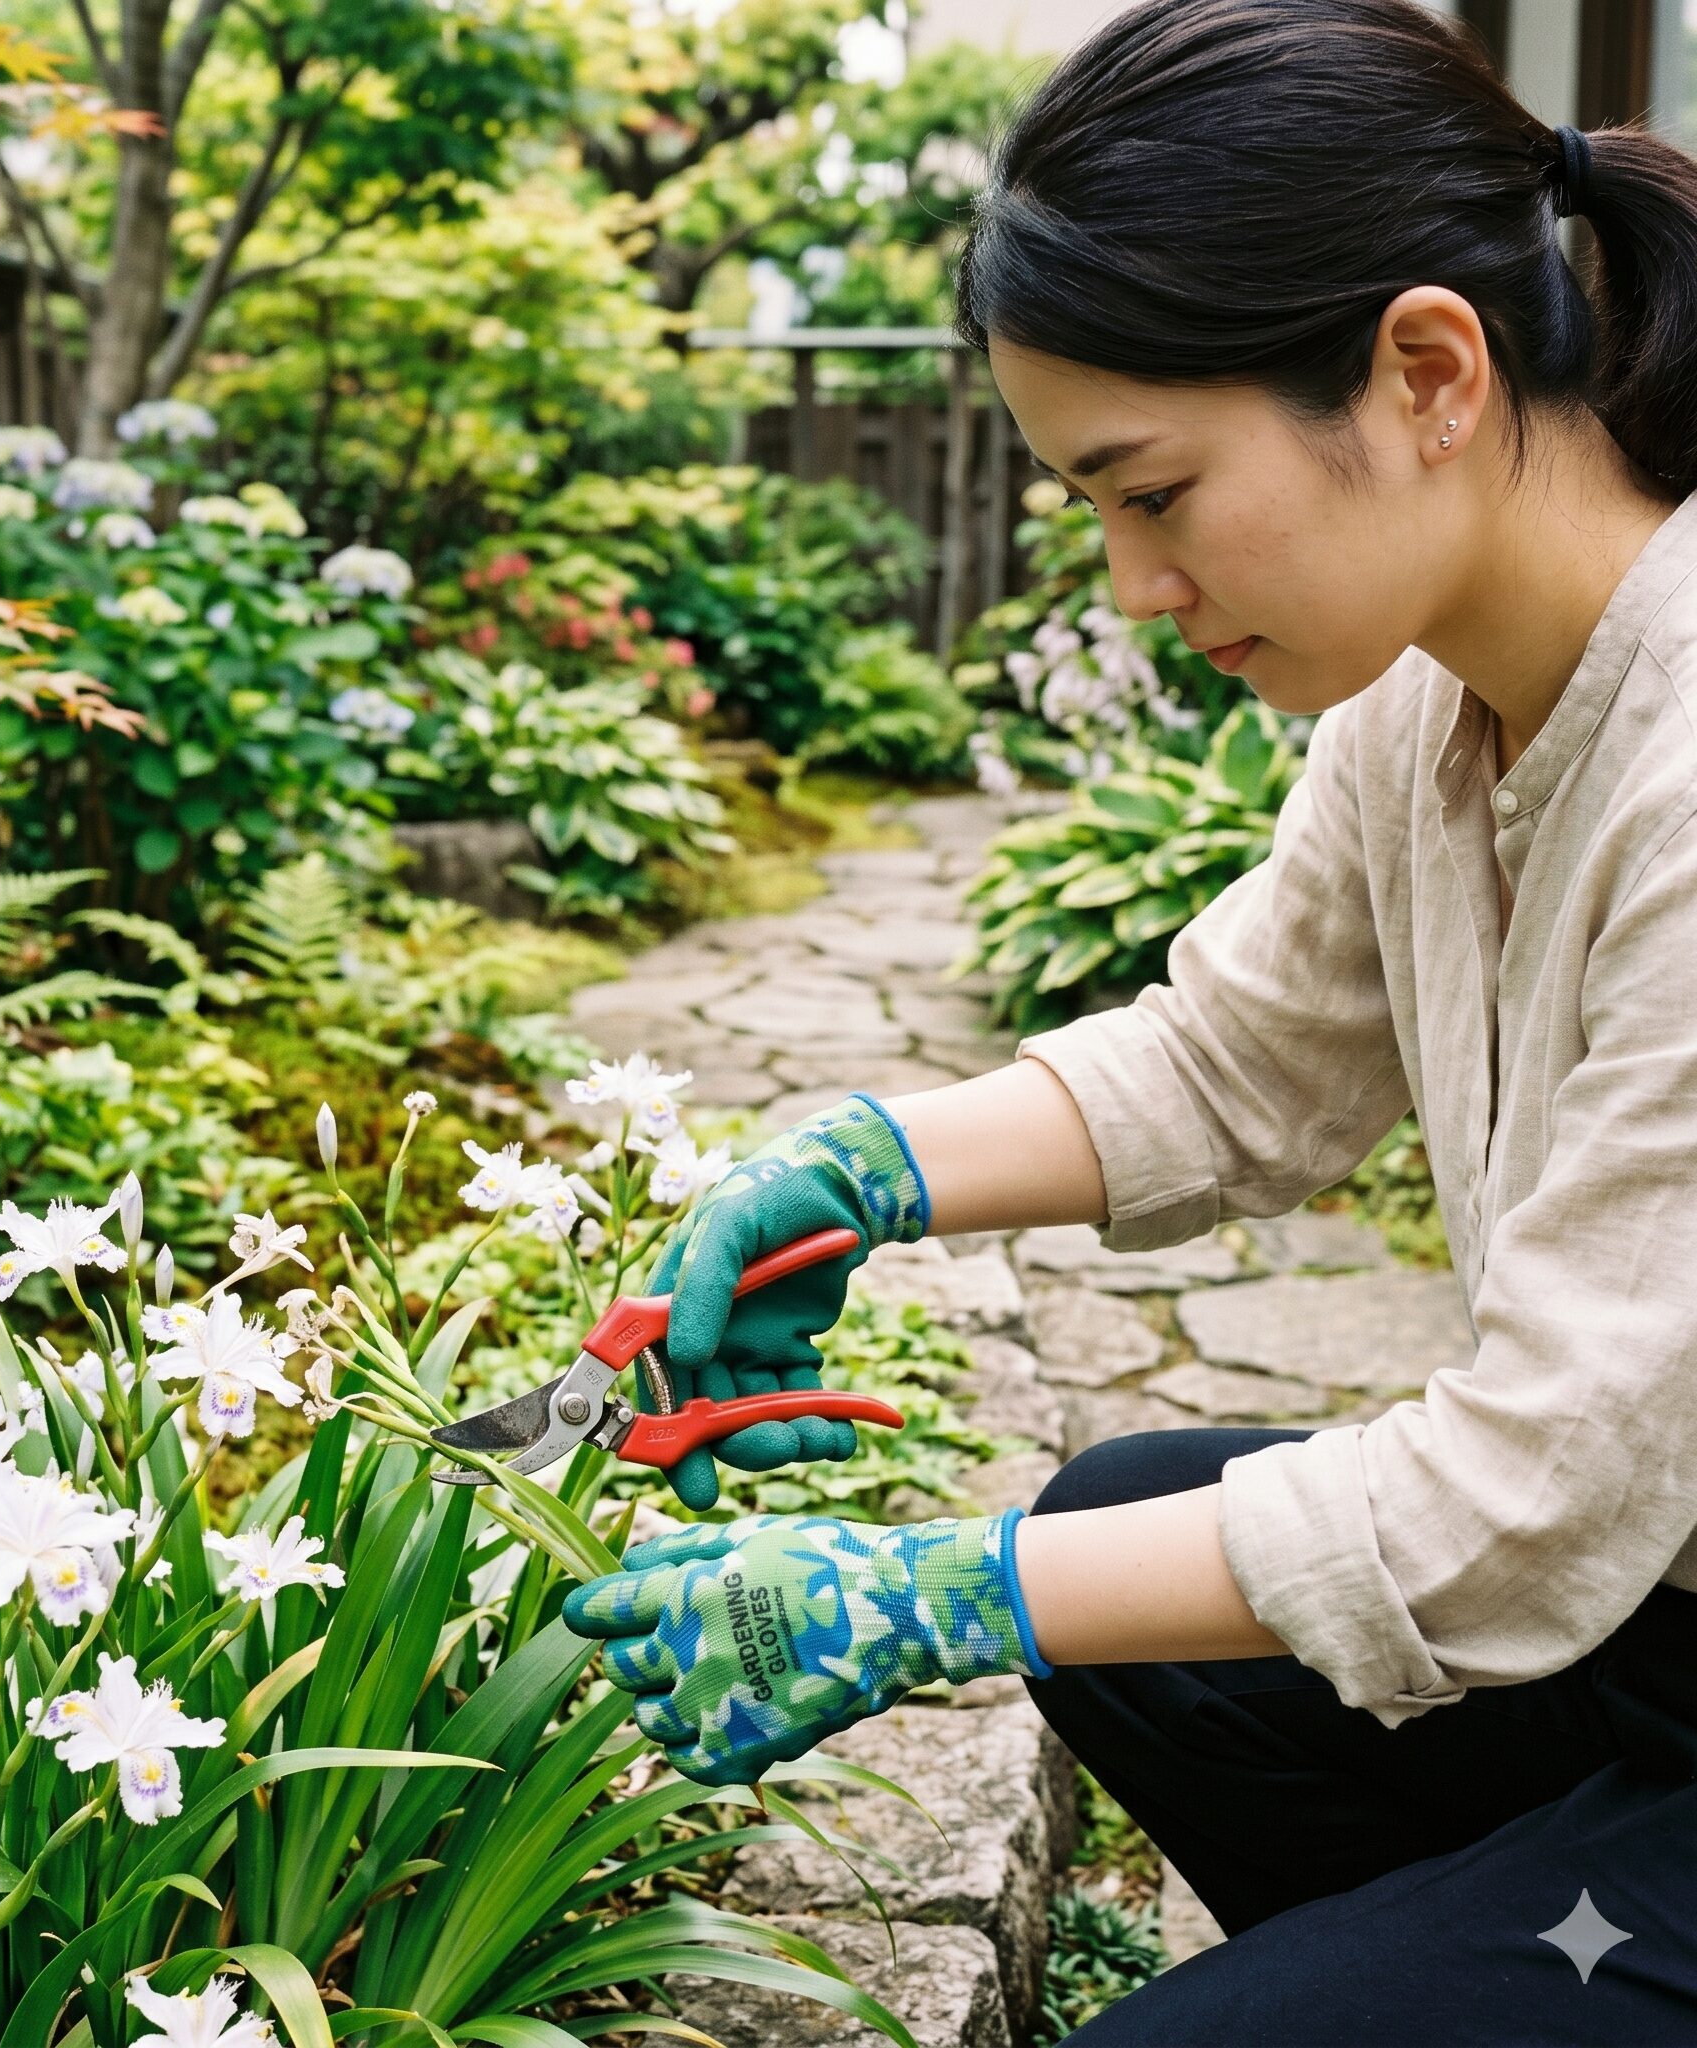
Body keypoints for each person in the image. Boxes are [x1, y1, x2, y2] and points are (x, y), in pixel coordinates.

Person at [560, 0, 1697, 2037]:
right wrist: (857, 1170)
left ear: (1426, 372)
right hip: (1654, 1630)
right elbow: (1239, 1056)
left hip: (1620, 1579)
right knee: (1125, 1555)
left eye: (1150, 490)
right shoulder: (1432, 702)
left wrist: (927, 1591)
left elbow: (1524, 1505)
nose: (1125, 587)